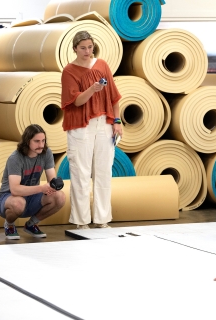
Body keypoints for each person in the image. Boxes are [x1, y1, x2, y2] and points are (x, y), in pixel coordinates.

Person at [61, 31, 122, 229]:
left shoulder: (102, 65)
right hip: (81, 126)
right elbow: (76, 101)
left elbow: (114, 96)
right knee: (81, 173)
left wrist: (117, 121)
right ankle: (81, 221)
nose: (87, 51)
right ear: (75, 49)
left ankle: (102, 219)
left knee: (104, 172)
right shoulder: (69, 71)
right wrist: (92, 89)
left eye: (90, 47)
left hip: (104, 123)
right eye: (83, 48)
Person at [0, 124, 66, 240]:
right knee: (19, 203)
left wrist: (54, 185)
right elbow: (15, 190)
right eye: (37, 141)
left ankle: (31, 224)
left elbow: (52, 178)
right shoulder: (16, 158)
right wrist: (42, 188)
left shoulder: (46, 153)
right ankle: (9, 224)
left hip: (31, 197)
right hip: (8, 197)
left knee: (60, 197)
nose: (41, 145)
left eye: (43, 141)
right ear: (27, 141)